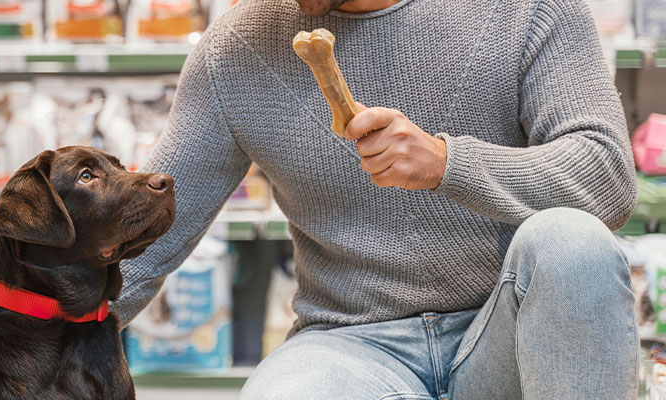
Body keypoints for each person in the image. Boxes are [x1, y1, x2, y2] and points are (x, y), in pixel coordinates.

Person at [111, 0, 640, 397]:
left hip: (509, 326)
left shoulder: (526, 9)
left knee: (573, 244)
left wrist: (447, 164)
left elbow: (608, 180)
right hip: (349, 346)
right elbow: (140, 240)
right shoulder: (236, 49)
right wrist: (32, 337)